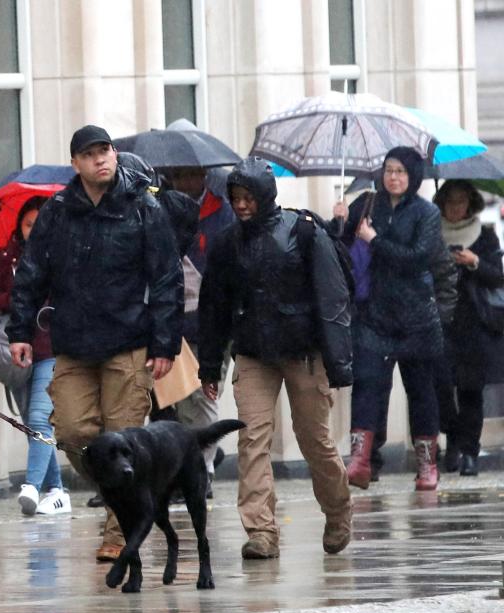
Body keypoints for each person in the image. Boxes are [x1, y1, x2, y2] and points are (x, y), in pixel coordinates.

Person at [7, 124, 183, 562]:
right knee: (70, 431)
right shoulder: (58, 211)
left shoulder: (143, 206)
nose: (101, 159)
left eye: (105, 151)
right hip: (74, 344)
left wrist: (165, 344)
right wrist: (20, 331)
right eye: (90, 154)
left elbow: (166, 277)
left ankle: (118, 534)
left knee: (121, 437)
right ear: (76, 164)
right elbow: (31, 273)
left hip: (128, 343)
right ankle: (126, 495)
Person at [198, 157, 352, 560]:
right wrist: (210, 365)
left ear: (266, 196)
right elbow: (213, 307)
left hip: (304, 352)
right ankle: (261, 530)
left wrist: (338, 361)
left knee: (314, 440)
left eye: (248, 197)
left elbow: (332, 298)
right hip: (253, 354)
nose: (242, 205)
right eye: (235, 198)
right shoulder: (227, 244)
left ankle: (338, 511)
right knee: (252, 439)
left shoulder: (303, 231)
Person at [335, 147, 444, 492]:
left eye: (400, 171)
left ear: (412, 177)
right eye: (388, 170)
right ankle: (361, 461)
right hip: (374, 316)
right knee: (367, 386)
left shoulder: (427, 213)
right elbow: (338, 248)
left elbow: (417, 258)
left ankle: (427, 465)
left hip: (416, 319)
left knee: (422, 392)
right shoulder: (367, 204)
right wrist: (338, 221)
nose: (393, 177)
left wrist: (376, 240)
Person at [0, 196, 70, 516]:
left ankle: (32, 486)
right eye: (28, 223)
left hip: (53, 347)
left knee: (38, 419)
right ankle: (57, 491)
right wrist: (20, 295)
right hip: (17, 349)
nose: (34, 230)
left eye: (40, 223)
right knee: (32, 424)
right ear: (20, 225)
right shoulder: (7, 256)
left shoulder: (62, 255)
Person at [159, 164, 237, 497]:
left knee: (204, 394)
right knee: (185, 401)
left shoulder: (222, 212)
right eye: (181, 174)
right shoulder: (162, 208)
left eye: (194, 173)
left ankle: (202, 469)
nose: (188, 180)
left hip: (212, 318)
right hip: (178, 318)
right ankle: (195, 466)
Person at [433, 180, 504, 476]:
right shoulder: (432, 232)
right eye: (450, 201)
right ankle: (452, 439)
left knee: (471, 390)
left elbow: (497, 276)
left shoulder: (485, 236)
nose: (455, 207)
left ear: (470, 203)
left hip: (474, 321)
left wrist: (474, 262)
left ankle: (469, 452)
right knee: (441, 387)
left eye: (461, 201)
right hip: (439, 319)